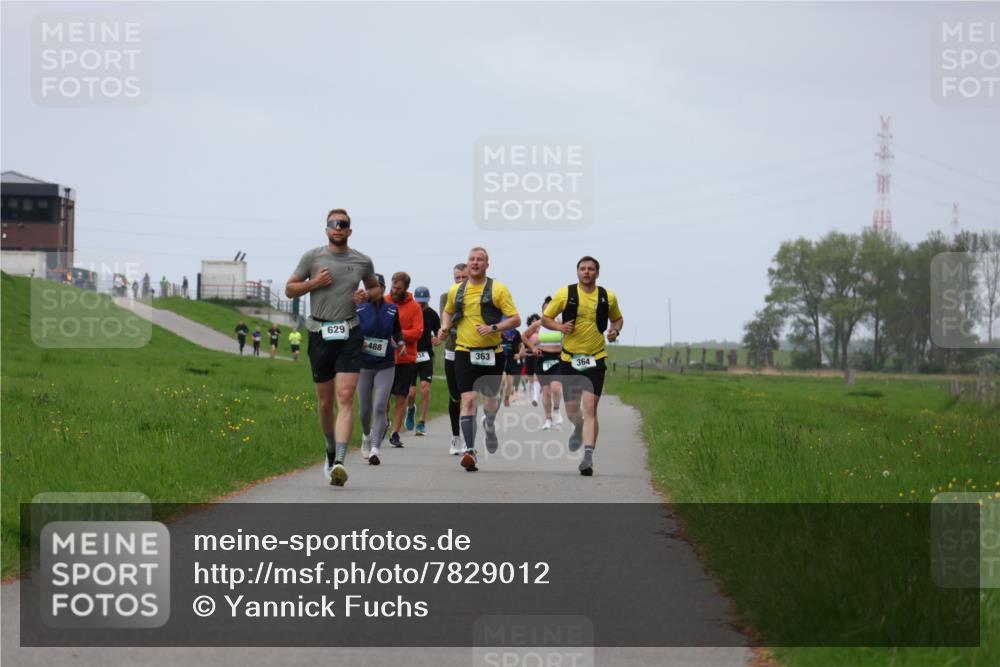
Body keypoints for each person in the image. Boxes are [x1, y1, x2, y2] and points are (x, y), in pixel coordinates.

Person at [285, 207, 379, 487]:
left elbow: (377, 290)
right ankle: (328, 451)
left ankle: (339, 461)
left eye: (343, 224)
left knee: (346, 396)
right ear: (326, 229)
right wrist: (314, 283)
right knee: (326, 403)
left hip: (350, 330)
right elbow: (290, 288)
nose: (338, 227)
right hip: (319, 332)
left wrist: (367, 294)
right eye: (333, 224)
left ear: (350, 230)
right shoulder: (312, 257)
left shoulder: (362, 261)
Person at [438, 247, 520, 472]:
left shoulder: (498, 289)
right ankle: (470, 450)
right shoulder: (457, 290)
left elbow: (515, 319)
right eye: (472, 259)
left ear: (487, 264)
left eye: (480, 260)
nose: (475, 263)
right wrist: (445, 326)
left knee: (491, 402)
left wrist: (493, 327)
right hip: (464, 352)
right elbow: (447, 311)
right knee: (469, 401)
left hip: (492, 352)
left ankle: (490, 425)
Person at [542, 256, 623, 477]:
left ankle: (587, 457)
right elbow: (545, 319)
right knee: (571, 410)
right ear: (577, 272)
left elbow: (618, 319)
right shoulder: (565, 294)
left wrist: (615, 331)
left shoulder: (608, 297)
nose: (586, 272)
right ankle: (577, 427)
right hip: (570, 360)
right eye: (582, 269)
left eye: (591, 269)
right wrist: (560, 326)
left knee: (590, 408)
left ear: (597, 273)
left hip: (596, 359)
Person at [353, 273, 402, 466]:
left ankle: (375, 449)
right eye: (369, 287)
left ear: (382, 289)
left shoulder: (392, 309)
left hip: (386, 364)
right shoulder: (358, 308)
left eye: (377, 286)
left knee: (380, 406)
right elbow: (351, 331)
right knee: (364, 410)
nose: (373, 290)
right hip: (364, 364)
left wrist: (400, 342)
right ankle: (366, 435)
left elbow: (397, 331)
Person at [386, 272, 423, 448]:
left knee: (401, 397)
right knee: (383, 397)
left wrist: (399, 335)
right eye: (393, 286)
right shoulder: (384, 302)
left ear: (406, 288)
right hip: (385, 358)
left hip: (406, 359)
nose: (394, 290)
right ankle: (383, 423)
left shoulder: (414, 307)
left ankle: (395, 433)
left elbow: (418, 332)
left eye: (398, 288)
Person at [436, 263, 468, 455]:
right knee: (455, 395)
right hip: (452, 350)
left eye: (465, 277)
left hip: (471, 350)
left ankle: (467, 439)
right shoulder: (446, 297)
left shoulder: (477, 297)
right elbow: (446, 320)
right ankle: (455, 436)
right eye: (458, 278)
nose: (461, 281)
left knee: (468, 396)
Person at [525, 297, 565, 429]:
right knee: (546, 391)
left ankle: (557, 409)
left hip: (557, 358)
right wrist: (533, 348)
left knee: (555, 388)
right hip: (542, 358)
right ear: (543, 311)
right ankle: (548, 419)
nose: (549, 312)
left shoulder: (560, 323)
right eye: (546, 309)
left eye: (551, 309)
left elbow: (571, 337)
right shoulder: (539, 324)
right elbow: (524, 336)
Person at [409, 286, 440, 436]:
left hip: (426, 355)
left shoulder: (432, 314)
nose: (421, 304)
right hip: (410, 354)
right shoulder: (410, 311)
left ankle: (421, 422)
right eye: (418, 301)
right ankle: (410, 409)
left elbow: (439, 333)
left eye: (423, 302)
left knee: (425, 388)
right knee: (411, 393)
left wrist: (437, 339)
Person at [500, 321, 523, 407]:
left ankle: (506, 398)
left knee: (510, 384)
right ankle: (499, 394)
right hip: (501, 359)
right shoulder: (499, 331)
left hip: (512, 360)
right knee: (502, 380)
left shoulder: (516, 333)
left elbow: (521, 345)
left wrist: (519, 354)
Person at [522, 314, 542, 406]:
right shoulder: (527, 333)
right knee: (530, 378)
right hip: (529, 356)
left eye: (536, 320)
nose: (534, 322)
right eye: (532, 321)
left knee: (536, 376)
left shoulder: (541, 331)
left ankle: (535, 397)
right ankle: (532, 395)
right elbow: (523, 344)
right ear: (529, 323)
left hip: (538, 356)